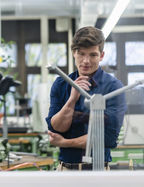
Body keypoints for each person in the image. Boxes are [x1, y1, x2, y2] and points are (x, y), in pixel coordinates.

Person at [45, 26, 127, 171]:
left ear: (101, 55)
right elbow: (56, 128)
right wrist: (72, 99)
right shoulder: (61, 84)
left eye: (93, 55)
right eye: (81, 54)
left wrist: (64, 142)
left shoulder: (114, 88)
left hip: (99, 170)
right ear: (73, 53)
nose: (86, 61)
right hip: (66, 171)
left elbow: (107, 138)